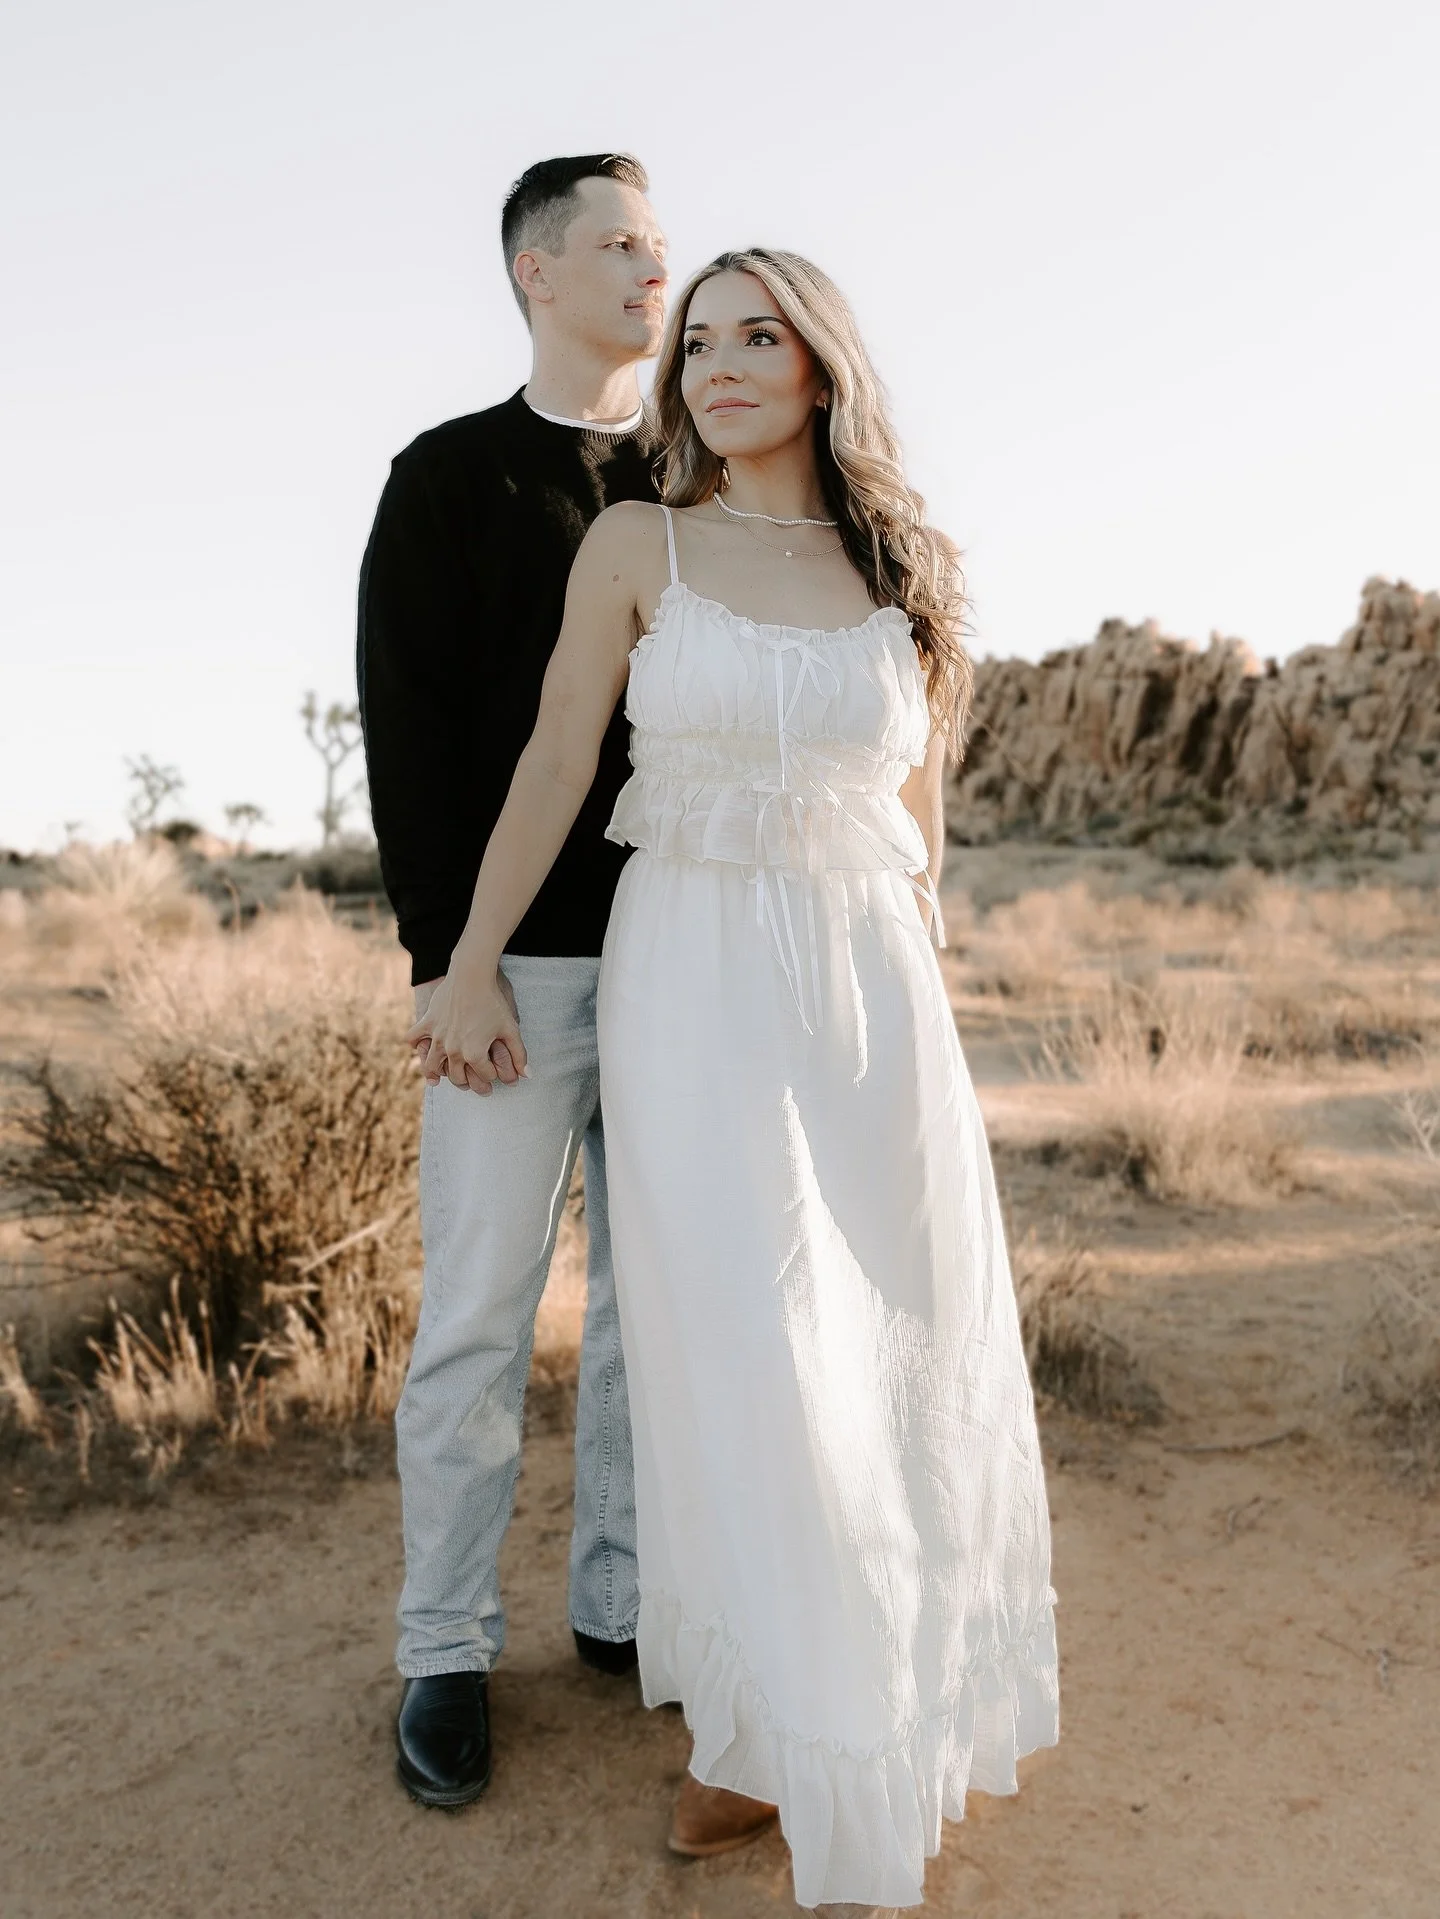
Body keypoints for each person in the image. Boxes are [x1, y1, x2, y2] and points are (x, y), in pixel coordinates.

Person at [410, 248, 1059, 1912]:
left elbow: (920, 824)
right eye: (697, 341)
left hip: (872, 994)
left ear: (823, 363)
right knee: (750, 1343)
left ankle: (879, 1691)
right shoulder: (641, 544)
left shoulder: (904, 567)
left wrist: (932, 992)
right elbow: (563, 752)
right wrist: (470, 954)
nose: (717, 364)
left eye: (756, 334)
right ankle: (761, 1727)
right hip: (690, 977)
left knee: (894, 1332)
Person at [356, 151, 668, 1808]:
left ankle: (616, 1606)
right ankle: (443, 1649)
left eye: (659, 241)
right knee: (476, 1322)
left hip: (683, 970)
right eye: (618, 242)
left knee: (646, 1316)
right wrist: (443, 966)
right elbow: (405, 738)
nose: (652, 267)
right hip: (511, 977)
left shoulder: (699, 482)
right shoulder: (452, 478)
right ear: (536, 273)